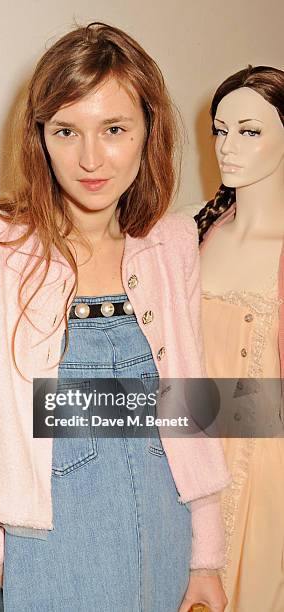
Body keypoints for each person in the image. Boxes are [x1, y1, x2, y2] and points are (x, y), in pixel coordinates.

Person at [0, 22, 231, 612]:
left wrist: (206, 556)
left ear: (149, 131)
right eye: (67, 130)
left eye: (114, 129)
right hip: (46, 541)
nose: (90, 158)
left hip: (167, 524)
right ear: (40, 136)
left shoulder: (171, 243)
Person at [195, 65, 284, 611]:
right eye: (221, 130)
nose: (228, 146)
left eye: (249, 131)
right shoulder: (195, 233)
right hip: (195, 462)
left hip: (269, 476)